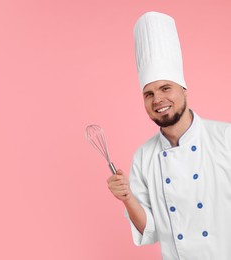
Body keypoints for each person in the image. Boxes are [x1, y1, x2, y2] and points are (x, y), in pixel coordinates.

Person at [107, 11, 231, 260]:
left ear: (184, 90)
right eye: (149, 94)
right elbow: (149, 230)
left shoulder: (225, 137)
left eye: (165, 88)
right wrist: (127, 198)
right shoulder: (144, 156)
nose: (158, 100)